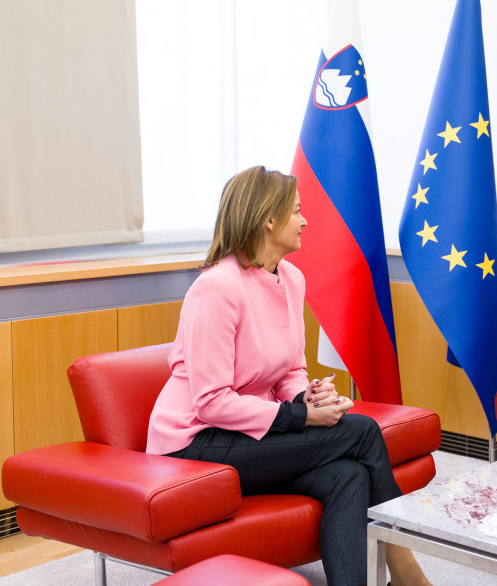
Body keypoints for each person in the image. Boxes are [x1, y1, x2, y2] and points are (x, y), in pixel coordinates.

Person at [146, 166, 431, 586]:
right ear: (269, 219)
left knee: (348, 475)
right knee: (363, 431)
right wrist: (301, 418)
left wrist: (308, 397)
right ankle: (407, 572)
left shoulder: (292, 278)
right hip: (195, 441)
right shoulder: (216, 288)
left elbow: (290, 371)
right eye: (297, 211)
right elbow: (211, 402)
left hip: (251, 434)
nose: (305, 221)